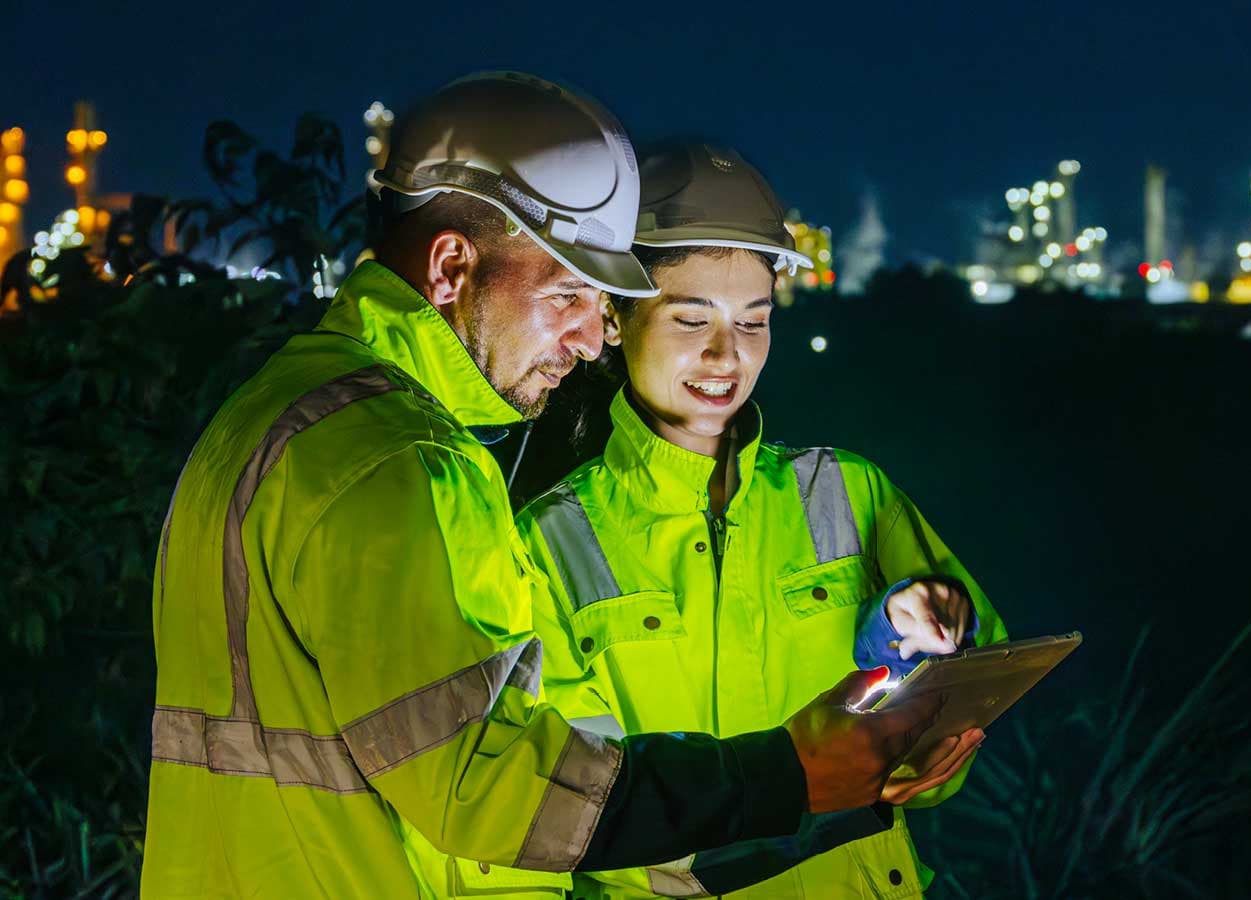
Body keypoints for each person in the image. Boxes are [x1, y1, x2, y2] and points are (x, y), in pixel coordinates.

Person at [141, 74, 955, 899]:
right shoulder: (405, 458)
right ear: (453, 265)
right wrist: (786, 776)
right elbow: (486, 788)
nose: (590, 337)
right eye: (568, 292)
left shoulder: (278, 416)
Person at [518, 142, 1008, 900]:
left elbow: (975, 683)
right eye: (691, 319)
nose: (726, 355)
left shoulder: (848, 491)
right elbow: (549, 796)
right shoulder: (551, 541)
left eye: (754, 321)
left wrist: (919, 631)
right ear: (613, 317)